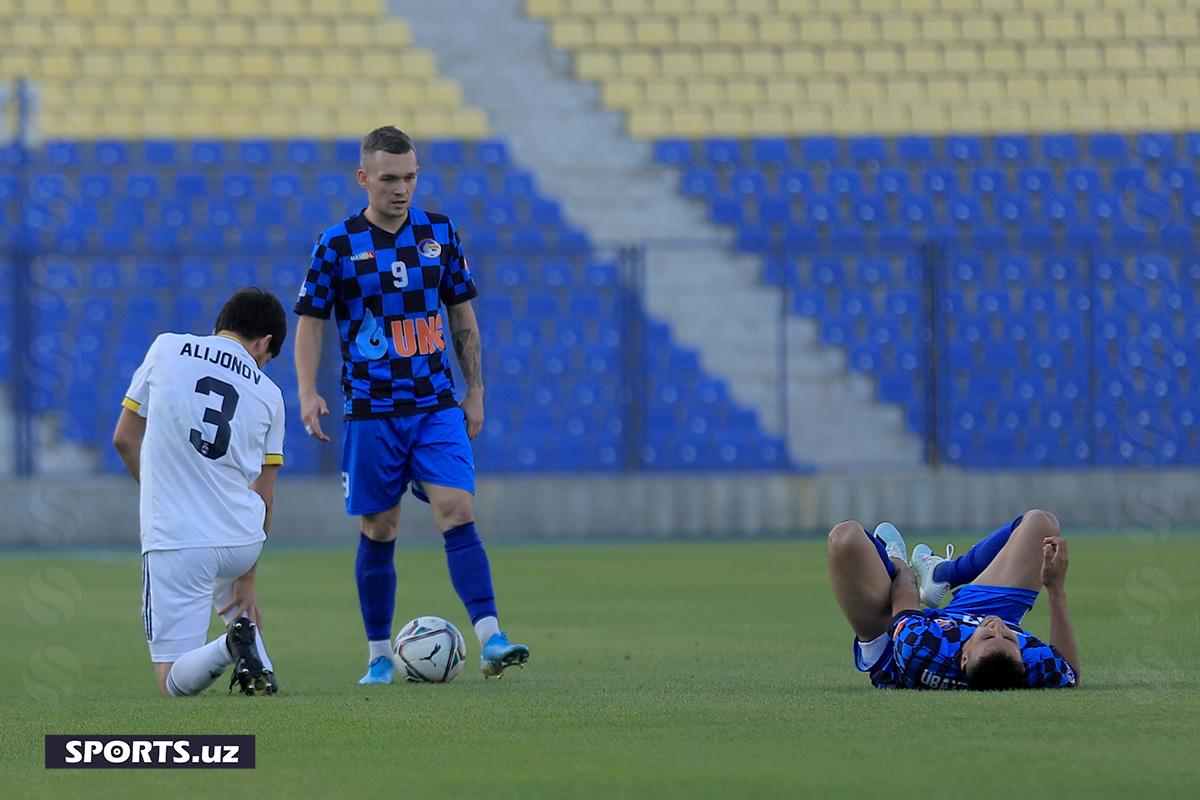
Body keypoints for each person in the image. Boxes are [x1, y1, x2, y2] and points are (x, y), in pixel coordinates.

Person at [293, 125, 529, 685]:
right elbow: (310, 323)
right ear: (364, 179)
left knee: (457, 510)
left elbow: (463, 319)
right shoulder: (337, 243)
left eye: (410, 177)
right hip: (372, 411)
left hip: (435, 405)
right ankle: (378, 654)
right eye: (390, 179)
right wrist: (306, 391)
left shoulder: (440, 234)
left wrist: (474, 391)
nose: (402, 189)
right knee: (380, 529)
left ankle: (491, 636)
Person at [112, 288, 288, 697]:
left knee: (172, 681)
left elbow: (124, 439)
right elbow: (266, 496)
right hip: (241, 539)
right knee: (231, 592)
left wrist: (163, 488)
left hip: (179, 541)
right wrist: (248, 576)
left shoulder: (167, 348)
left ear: (219, 325)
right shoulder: (271, 394)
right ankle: (261, 670)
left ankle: (232, 645)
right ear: (264, 344)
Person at [827, 511, 1079, 690]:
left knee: (844, 538)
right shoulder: (1031, 666)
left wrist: (900, 568)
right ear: (1023, 664)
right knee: (1041, 523)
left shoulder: (920, 647)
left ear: (964, 658)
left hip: (892, 641)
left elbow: (905, 593)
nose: (998, 627)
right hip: (972, 612)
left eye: (990, 636)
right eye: (1010, 638)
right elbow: (1070, 672)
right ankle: (942, 575)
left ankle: (893, 557)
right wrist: (1055, 589)